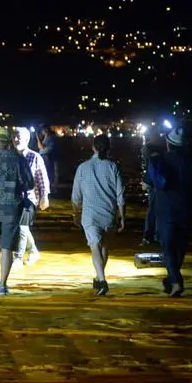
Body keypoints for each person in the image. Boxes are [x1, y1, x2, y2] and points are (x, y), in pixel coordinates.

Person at [71, 135, 126, 296]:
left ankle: (102, 281)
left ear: (93, 147)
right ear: (108, 148)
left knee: (95, 247)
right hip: (109, 214)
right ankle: (98, 277)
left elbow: (76, 196)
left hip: (90, 216)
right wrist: (122, 217)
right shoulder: (113, 167)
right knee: (104, 246)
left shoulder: (83, 167)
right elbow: (120, 196)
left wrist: (75, 214)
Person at [0, 127, 33, 295]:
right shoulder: (19, 159)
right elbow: (30, 183)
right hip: (12, 208)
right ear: (9, 141)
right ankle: (3, 284)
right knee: (7, 247)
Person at [147, 125, 192, 297]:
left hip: (166, 210)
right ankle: (172, 278)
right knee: (180, 248)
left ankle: (175, 282)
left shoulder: (160, 160)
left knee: (167, 247)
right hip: (187, 209)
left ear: (168, 144)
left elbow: (150, 182)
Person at [13, 127, 50, 267]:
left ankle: (18, 257)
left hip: (29, 199)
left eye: (19, 137)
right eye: (14, 136)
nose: (16, 139)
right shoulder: (11, 156)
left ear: (27, 140)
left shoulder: (35, 156)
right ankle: (34, 251)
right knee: (22, 227)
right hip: (13, 199)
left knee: (22, 227)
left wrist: (44, 196)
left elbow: (42, 178)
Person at [140, 141, 162, 245]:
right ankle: (159, 236)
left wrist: (144, 184)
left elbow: (146, 184)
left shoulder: (151, 161)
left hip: (155, 192)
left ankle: (149, 236)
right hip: (166, 193)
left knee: (152, 213)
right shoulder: (164, 159)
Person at [38, 125, 59, 196]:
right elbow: (40, 147)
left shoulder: (49, 138)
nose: (41, 131)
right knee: (49, 173)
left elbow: (41, 147)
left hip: (47, 157)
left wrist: (37, 137)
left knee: (48, 173)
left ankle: (50, 190)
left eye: (42, 130)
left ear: (46, 130)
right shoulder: (47, 137)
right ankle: (51, 189)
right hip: (47, 157)